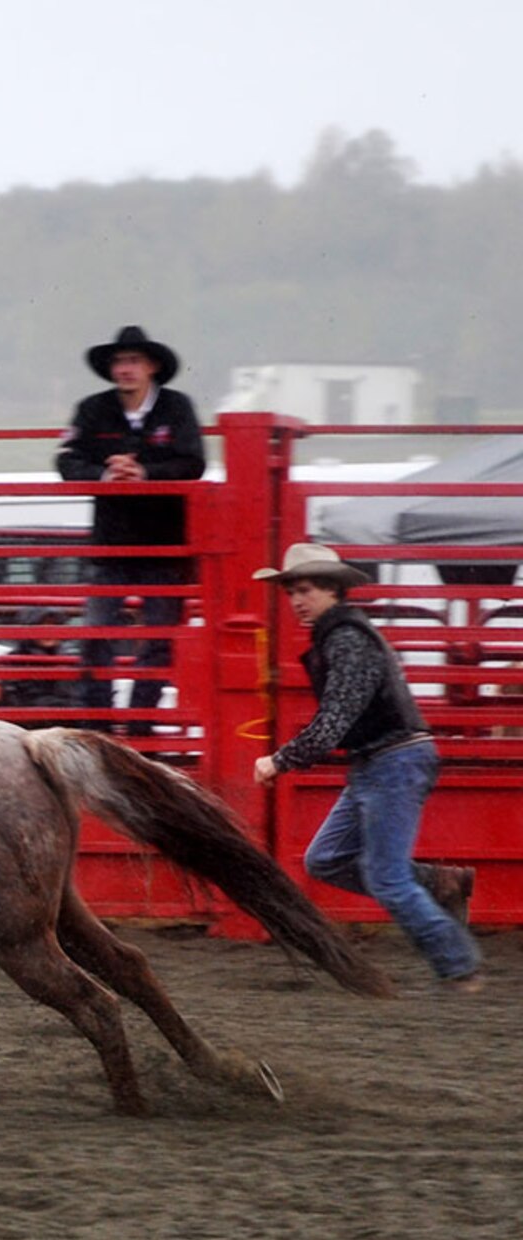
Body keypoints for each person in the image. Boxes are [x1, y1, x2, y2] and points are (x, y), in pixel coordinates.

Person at [251, 542, 483, 992]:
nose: (297, 600)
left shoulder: (347, 640)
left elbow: (335, 718)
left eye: (306, 590)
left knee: (386, 876)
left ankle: (459, 965)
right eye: (292, 592)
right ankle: (440, 884)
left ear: (332, 590)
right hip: (380, 762)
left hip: (392, 761)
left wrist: (280, 760)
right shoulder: (341, 636)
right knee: (325, 860)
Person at [55, 325, 206, 729]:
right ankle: (99, 724)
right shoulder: (93, 408)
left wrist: (145, 474)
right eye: (119, 361)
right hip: (112, 544)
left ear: (151, 366)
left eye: (133, 360)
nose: (125, 369)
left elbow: (193, 463)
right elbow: (67, 461)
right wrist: (104, 475)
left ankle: (141, 720)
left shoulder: (177, 407)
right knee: (95, 636)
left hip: (164, 545)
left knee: (159, 639)